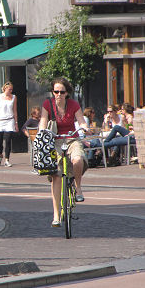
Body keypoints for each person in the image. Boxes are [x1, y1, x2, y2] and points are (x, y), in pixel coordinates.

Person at [38, 77, 89, 227]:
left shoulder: (73, 104)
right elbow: (43, 121)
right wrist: (42, 132)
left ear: (67, 93)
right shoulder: (48, 104)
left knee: (78, 159)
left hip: (71, 139)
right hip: (55, 140)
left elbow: (81, 121)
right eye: (56, 91)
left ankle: (78, 188)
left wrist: (84, 126)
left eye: (62, 92)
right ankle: (56, 215)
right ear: (52, 92)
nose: (58, 94)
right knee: (56, 175)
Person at [0, 81, 18, 167]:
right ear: (5, 89)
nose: (11, 91)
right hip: (0, 121)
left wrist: (16, 123)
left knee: (8, 140)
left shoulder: (14, 97)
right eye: (9, 89)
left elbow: (14, 110)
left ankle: (7, 159)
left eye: (12, 90)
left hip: (10, 120)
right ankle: (0, 155)